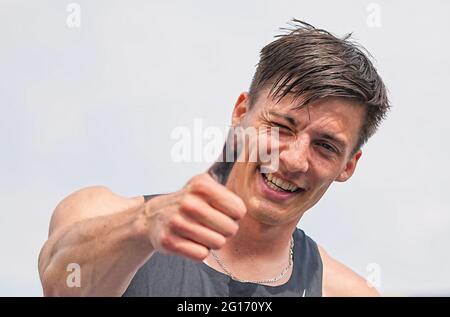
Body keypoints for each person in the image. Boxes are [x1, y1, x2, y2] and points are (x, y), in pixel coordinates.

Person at [38, 20, 389, 297]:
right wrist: (142, 227)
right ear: (241, 112)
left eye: (326, 146)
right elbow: (62, 286)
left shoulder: (344, 292)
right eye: (282, 126)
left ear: (348, 165)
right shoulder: (100, 214)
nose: (295, 160)